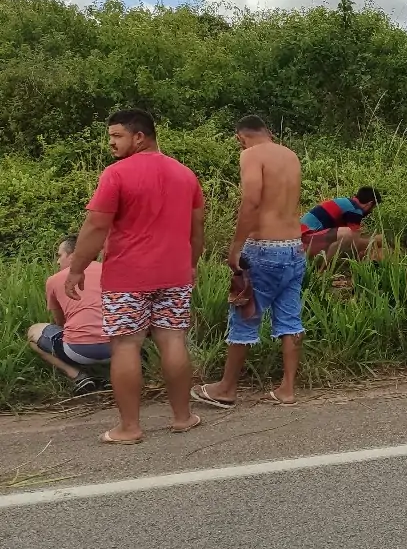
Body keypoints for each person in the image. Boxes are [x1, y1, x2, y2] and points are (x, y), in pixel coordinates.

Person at [65, 109, 204, 444]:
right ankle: (183, 417)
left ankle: (130, 427)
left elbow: (96, 225)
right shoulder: (185, 174)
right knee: (173, 339)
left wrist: (77, 268)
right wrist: (191, 264)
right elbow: (197, 227)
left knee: (126, 345)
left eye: (116, 136)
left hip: (127, 276)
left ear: (139, 136)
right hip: (174, 273)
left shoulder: (115, 175)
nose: (110, 142)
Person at [192, 115, 306, 410]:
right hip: (294, 247)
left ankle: (226, 388)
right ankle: (287, 389)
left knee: (244, 314)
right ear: (268, 132)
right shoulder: (289, 155)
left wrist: (236, 247)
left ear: (239, 137)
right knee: (290, 319)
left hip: (263, 248)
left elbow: (252, 200)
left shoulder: (250, 155)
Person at [26, 234, 111, 395]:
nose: (58, 261)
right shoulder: (110, 270)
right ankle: (116, 373)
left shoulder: (54, 280)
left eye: (60, 255)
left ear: (72, 255)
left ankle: (78, 376)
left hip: (78, 352)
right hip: (119, 349)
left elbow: (60, 322)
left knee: (33, 332)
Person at [300, 187, 384, 263]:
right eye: (373, 207)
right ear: (370, 204)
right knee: (348, 234)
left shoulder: (345, 204)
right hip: (304, 241)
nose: (371, 211)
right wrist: (375, 241)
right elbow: (354, 241)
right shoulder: (354, 210)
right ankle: (324, 270)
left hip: (301, 240)